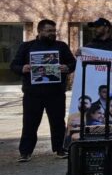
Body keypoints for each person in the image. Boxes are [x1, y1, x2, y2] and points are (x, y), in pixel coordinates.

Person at [11, 19, 77, 162]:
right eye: (48, 31)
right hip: (32, 93)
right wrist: (23, 68)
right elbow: (14, 65)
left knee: (58, 122)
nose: (52, 34)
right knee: (29, 123)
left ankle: (60, 149)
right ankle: (25, 152)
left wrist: (67, 67)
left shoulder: (61, 46)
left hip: (56, 93)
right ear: (39, 31)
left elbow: (73, 63)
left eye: (53, 31)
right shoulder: (27, 47)